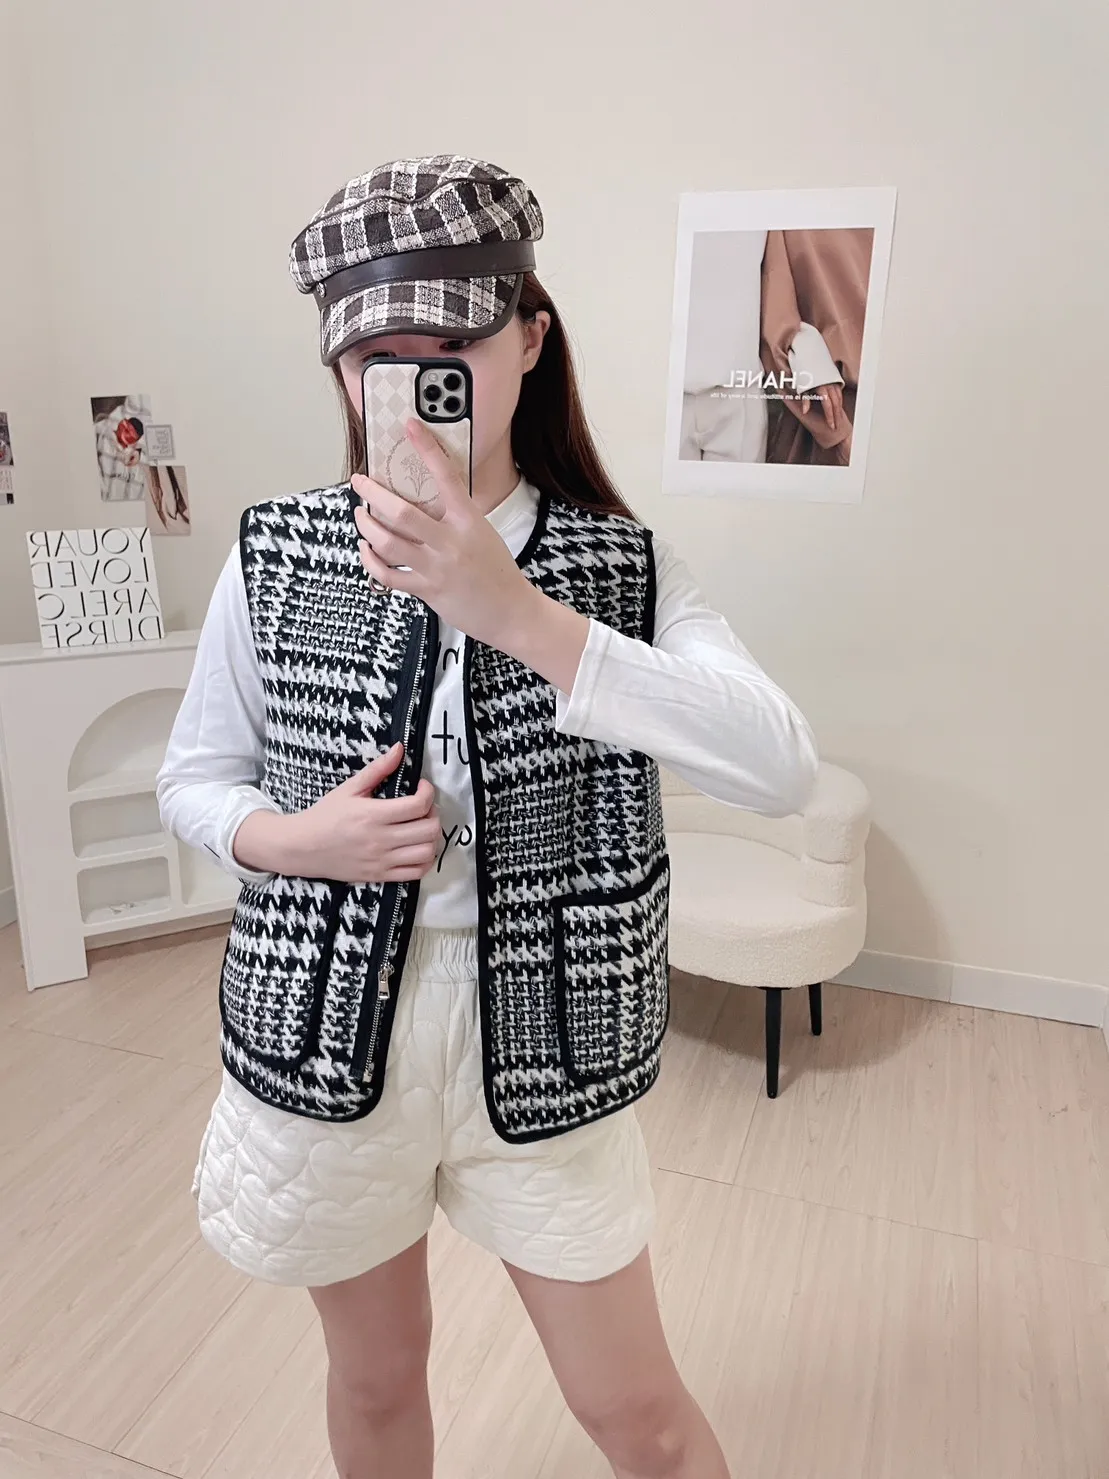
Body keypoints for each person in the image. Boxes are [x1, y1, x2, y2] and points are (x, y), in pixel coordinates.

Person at [157, 155, 818, 1479]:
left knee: (640, 1416)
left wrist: (515, 612)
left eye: (450, 346)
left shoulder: (622, 566)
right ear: (341, 372)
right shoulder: (277, 550)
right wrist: (298, 842)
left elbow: (780, 767)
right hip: (328, 1033)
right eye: (377, 358)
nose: (414, 383)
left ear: (528, 337)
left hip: (553, 1034)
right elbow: (196, 778)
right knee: (376, 1385)